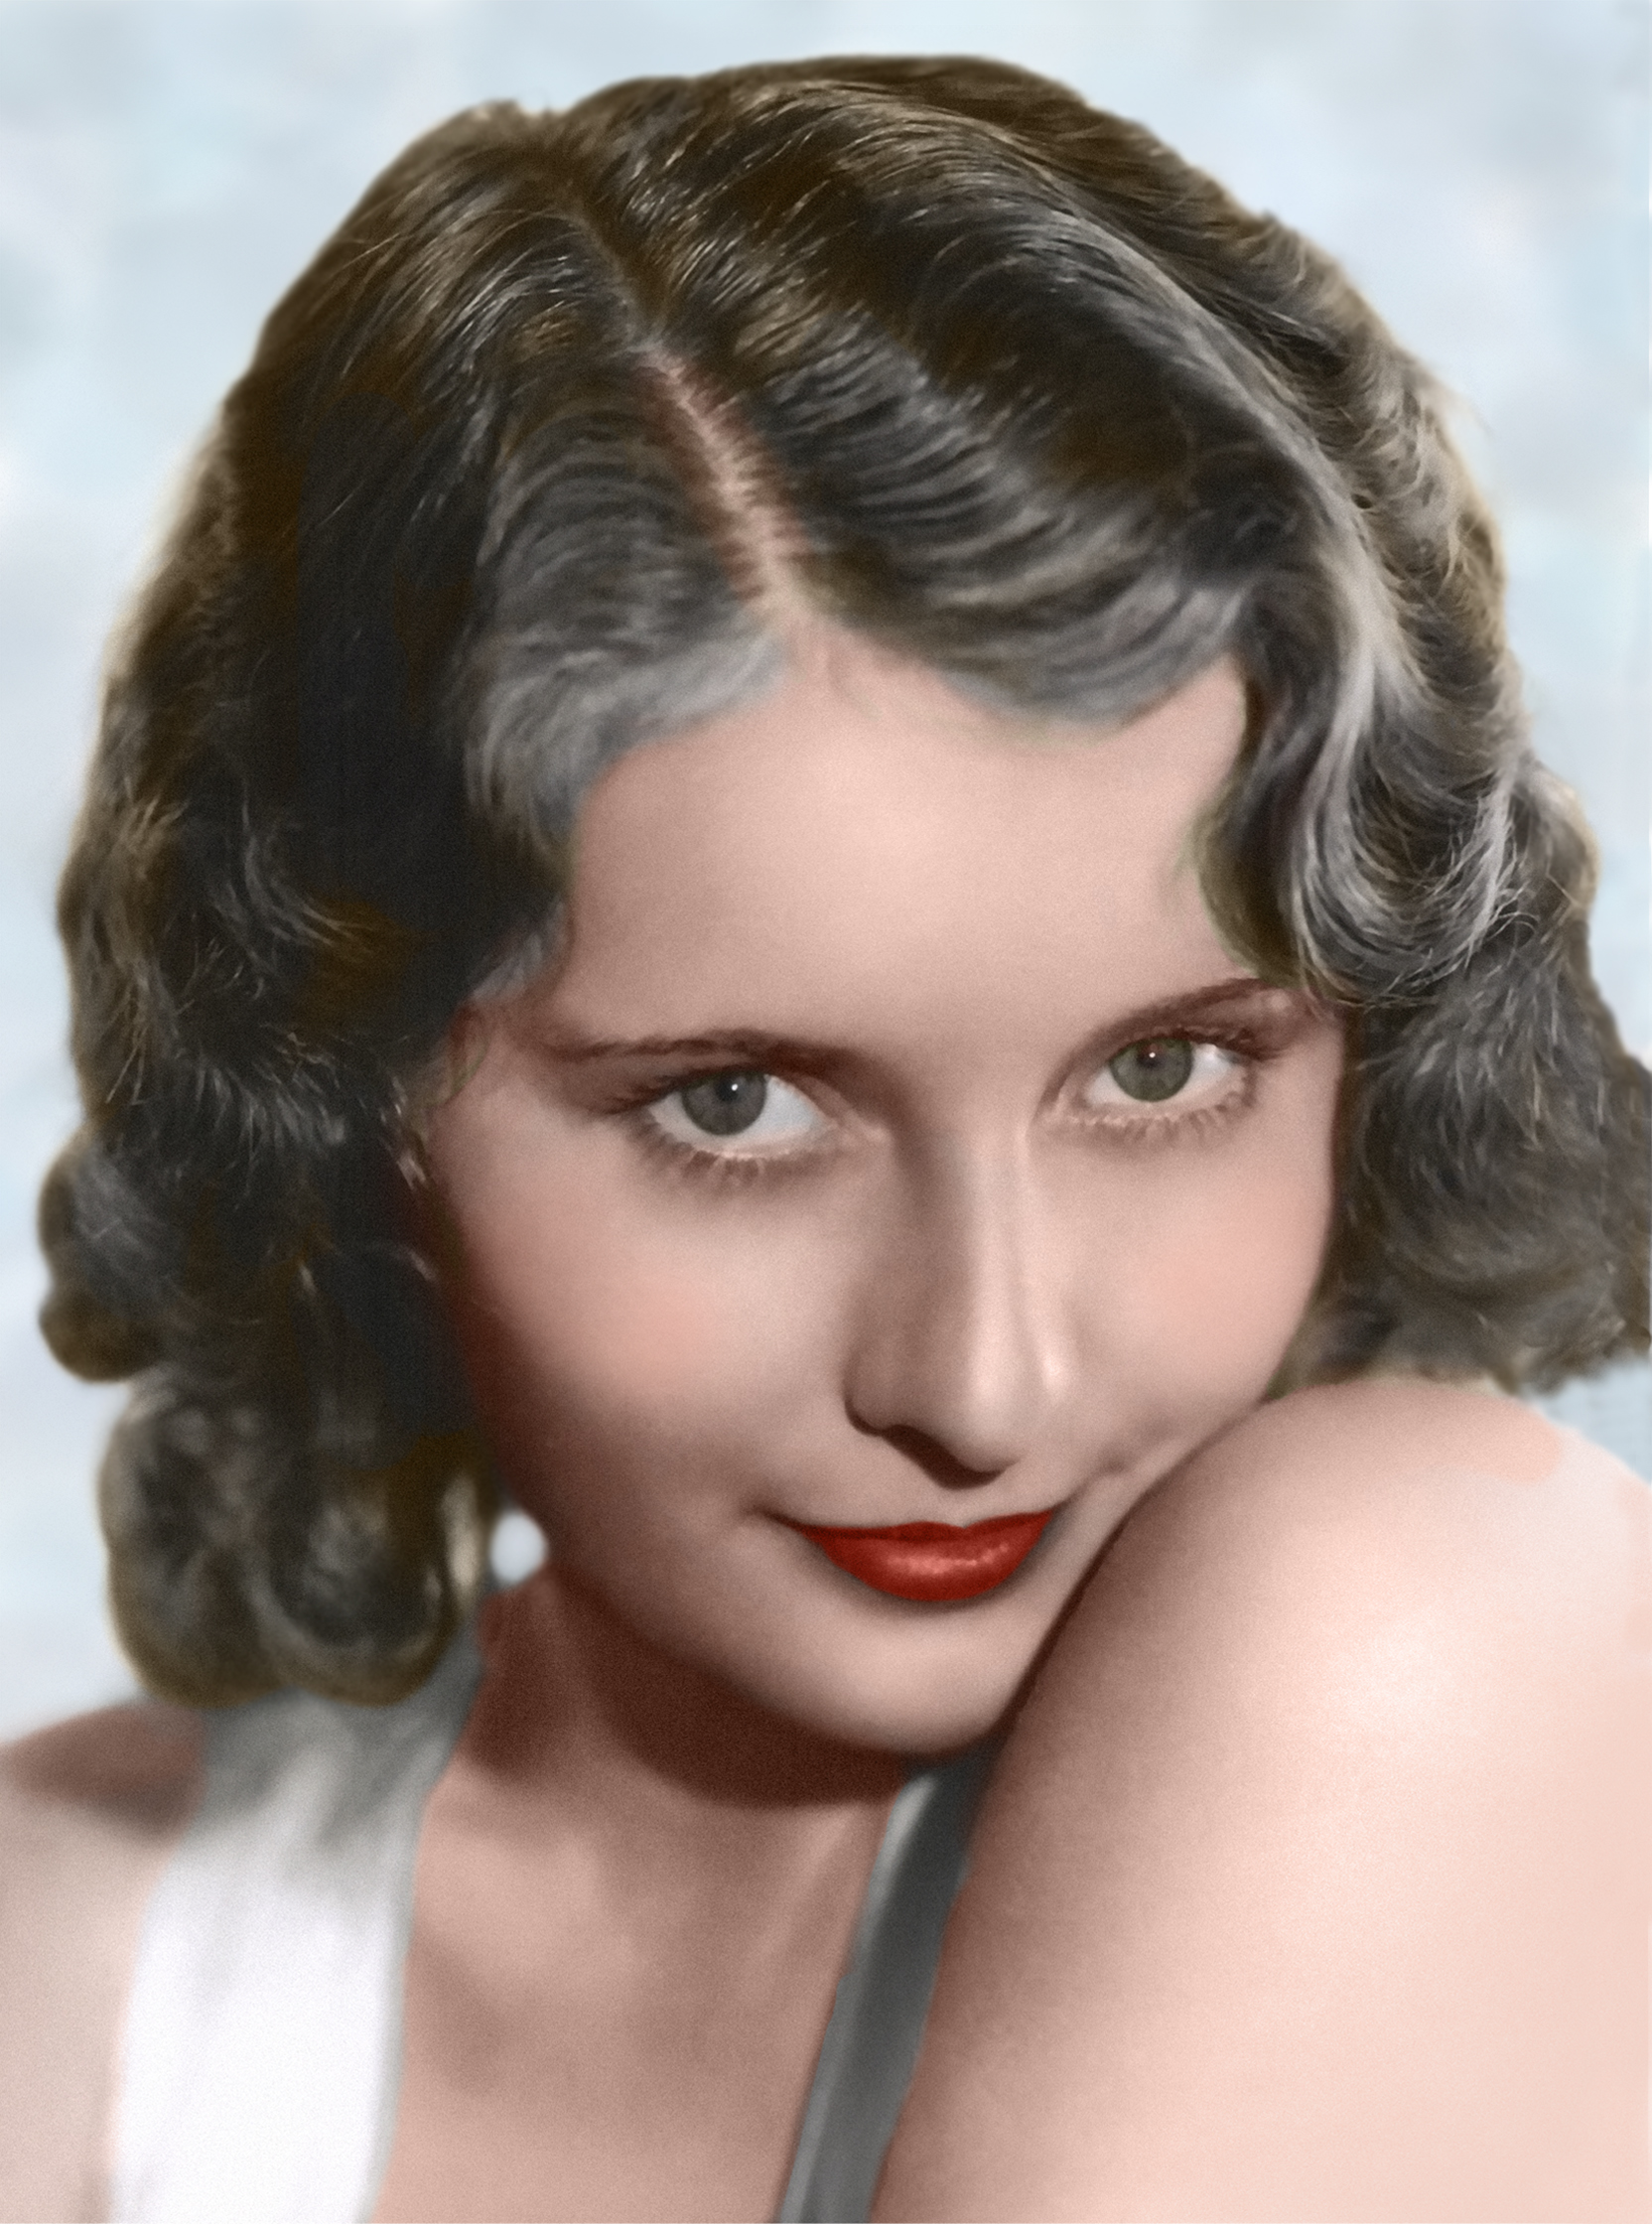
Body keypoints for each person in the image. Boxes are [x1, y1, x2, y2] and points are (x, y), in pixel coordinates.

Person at [1, 54, 1647, 2223]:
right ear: (349, 1089)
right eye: (736, 1106)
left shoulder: (1424, 1631)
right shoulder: (85, 1956)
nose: (985, 1382)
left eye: (1163, 1074)